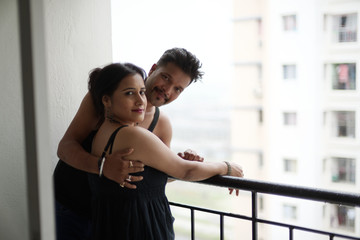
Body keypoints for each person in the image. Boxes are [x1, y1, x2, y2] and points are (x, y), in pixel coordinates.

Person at [54, 48, 206, 239]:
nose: (167, 90)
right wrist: (102, 167)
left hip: (112, 220)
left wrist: (181, 163)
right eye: (166, 78)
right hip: (72, 208)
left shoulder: (162, 124)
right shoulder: (104, 99)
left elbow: (155, 178)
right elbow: (65, 147)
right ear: (153, 70)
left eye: (178, 89)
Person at [87, 62, 244, 239]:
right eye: (129, 93)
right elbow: (186, 171)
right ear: (106, 100)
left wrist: (175, 162)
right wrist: (226, 167)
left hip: (115, 225)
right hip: (140, 228)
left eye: (141, 92)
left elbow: (153, 175)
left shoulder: (104, 131)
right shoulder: (133, 135)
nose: (140, 101)